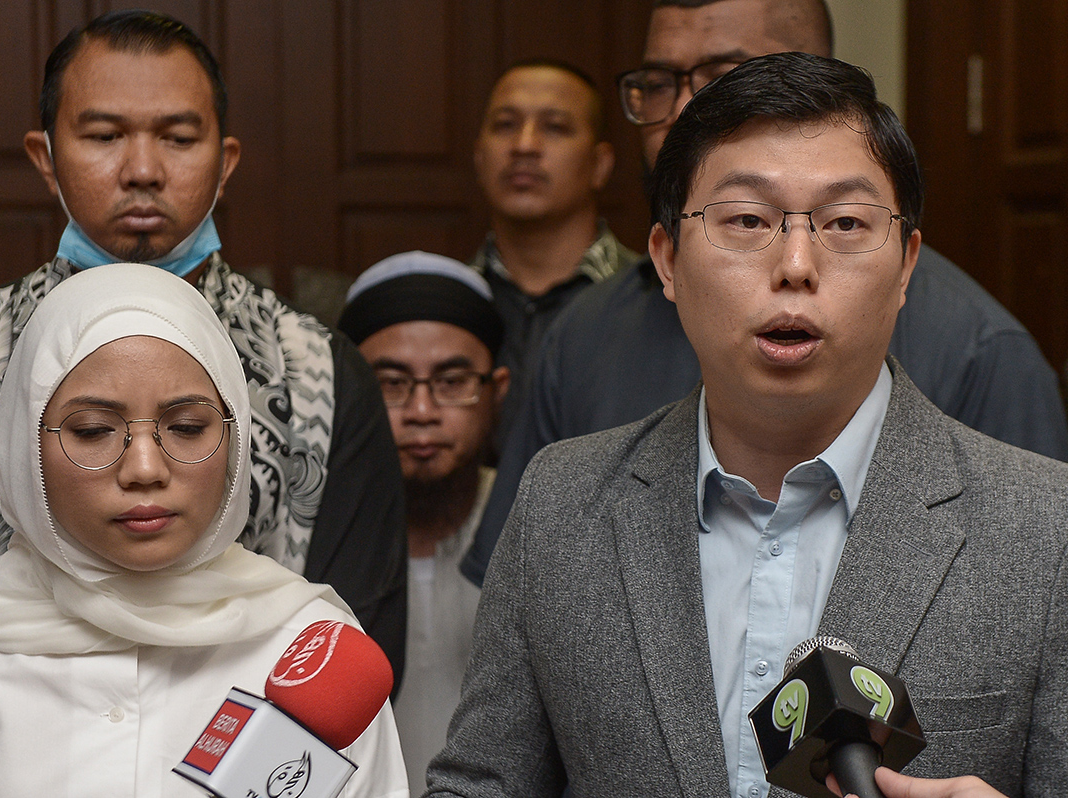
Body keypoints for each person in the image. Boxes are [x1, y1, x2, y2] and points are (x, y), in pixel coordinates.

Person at [426, 53, 1067, 798]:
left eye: (847, 223)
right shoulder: (562, 503)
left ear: (904, 268)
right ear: (666, 259)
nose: (795, 264)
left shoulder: (1046, 528)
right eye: (747, 221)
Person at [0, 10, 407, 680]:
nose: (144, 169)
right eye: (103, 135)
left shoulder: (322, 373)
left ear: (225, 160)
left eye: (179, 137)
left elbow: (356, 652)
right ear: (45, 157)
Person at [461, 0, 1068, 587]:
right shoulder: (586, 332)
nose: (682, 113)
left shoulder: (979, 350)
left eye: (722, 80)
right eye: (659, 83)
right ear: (666, 256)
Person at [0, 263, 408, 797]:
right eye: (94, 430)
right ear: (25, 444)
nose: (145, 468)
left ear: (236, 437)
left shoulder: (311, 650)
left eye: (188, 427)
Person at [336, 252, 509, 797]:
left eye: (452, 381)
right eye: (391, 385)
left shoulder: (541, 528)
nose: (422, 410)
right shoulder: (316, 537)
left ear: (497, 391)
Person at [470, 59, 637, 441]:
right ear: (479, 158)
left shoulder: (655, 298)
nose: (524, 146)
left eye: (555, 127)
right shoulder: (450, 304)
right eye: (505, 125)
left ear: (600, 164)